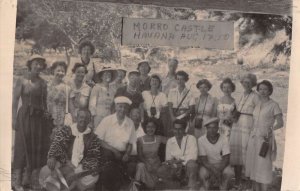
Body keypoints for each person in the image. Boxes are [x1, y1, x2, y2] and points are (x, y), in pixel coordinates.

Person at [39, 109, 105, 191]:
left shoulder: (93, 137)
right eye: (81, 117)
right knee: (47, 170)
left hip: (80, 167)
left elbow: (93, 156)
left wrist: (79, 167)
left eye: (86, 118)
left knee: (93, 177)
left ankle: (70, 185)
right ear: (76, 118)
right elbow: (56, 144)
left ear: (89, 120)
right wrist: (52, 156)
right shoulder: (66, 130)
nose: (83, 120)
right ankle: (64, 185)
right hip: (64, 163)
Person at [12, 55, 50, 190]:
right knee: (22, 147)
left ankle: (28, 179)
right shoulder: (22, 80)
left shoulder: (43, 83)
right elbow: (15, 100)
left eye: (40, 64)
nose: (38, 66)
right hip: (24, 117)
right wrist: (13, 118)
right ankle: (17, 182)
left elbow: (44, 103)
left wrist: (47, 119)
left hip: (38, 119)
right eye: (36, 63)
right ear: (30, 64)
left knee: (35, 147)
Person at [245, 80, 283, 191]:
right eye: (260, 89)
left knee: (264, 166)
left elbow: (280, 123)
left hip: (265, 139)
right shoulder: (257, 104)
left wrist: (270, 130)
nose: (262, 91)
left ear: (270, 91)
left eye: (265, 89)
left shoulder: (274, 105)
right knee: (254, 165)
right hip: (253, 138)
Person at [94, 96, 137, 190]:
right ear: (116, 107)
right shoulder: (107, 120)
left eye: (125, 107)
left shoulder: (130, 123)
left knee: (126, 170)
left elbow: (130, 143)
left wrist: (127, 154)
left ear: (128, 109)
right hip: (107, 153)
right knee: (109, 169)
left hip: (121, 155)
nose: (122, 109)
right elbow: (98, 139)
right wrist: (114, 151)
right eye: (120, 106)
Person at [229, 73, 260, 187]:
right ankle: (237, 182)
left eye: (248, 82)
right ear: (241, 83)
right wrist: (232, 113)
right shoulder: (239, 95)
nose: (246, 84)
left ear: (252, 84)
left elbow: (259, 113)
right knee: (237, 153)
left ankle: (248, 182)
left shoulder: (256, 96)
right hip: (237, 125)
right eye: (244, 82)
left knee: (247, 152)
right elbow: (233, 108)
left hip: (248, 125)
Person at [157, 119, 198, 190]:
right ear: (173, 129)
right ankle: (173, 187)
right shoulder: (170, 141)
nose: (177, 132)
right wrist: (175, 164)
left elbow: (193, 156)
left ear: (184, 129)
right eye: (175, 129)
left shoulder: (191, 138)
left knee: (192, 165)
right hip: (175, 166)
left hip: (187, 166)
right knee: (161, 170)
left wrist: (179, 162)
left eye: (180, 129)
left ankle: (191, 187)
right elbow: (168, 159)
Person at [198, 117, 234, 191]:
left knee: (229, 173)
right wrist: (214, 171)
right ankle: (207, 185)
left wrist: (218, 171)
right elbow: (204, 160)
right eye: (209, 128)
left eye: (214, 127)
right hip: (208, 165)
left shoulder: (224, 138)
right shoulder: (201, 140)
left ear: (218, 128)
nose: (212, 130)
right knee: (202, 174)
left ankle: (223, 186)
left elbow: (226, 158)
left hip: (221, 165)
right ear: (206, 129)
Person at [135, 118, 167, 188]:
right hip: (145, 165)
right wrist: (147, 163)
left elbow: (171, 141)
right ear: (145, 128)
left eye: (153, 127)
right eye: (148, 127)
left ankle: (142, 185)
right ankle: (137, 186)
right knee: (140, 166)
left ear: (156, 128)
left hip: (156, 166)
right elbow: (140, 156)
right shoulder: (140, 139)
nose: (150, 129)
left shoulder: (159, 138)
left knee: (153, 185)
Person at [167, 71, 195, 137]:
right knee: (173, 135)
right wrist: (172, 117)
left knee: (184, 135)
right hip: (173, 116)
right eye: (178, 79)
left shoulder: (190, 93)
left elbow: (191, 109)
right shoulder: (172, 91)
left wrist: (181, 117)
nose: (179, 81)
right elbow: (170, 106)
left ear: (185, 80)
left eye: (182, 79)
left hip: (185, 117)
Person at [47, 61, 70, 133]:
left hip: (61, 119)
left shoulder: (67, 87)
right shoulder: (46, 86)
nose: (60, 73)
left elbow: (69, 105)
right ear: (53, 71)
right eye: (58, 70)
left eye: (63, 71)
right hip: (48, 118)